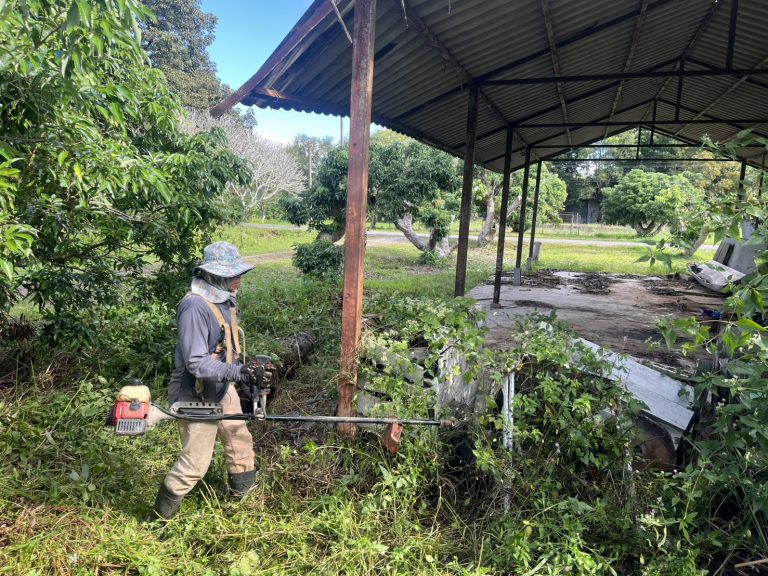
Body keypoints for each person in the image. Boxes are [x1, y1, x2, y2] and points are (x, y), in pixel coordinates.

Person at [151, 241, 258, 520]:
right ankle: (159, 520)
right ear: (212, 274)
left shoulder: (225, 300)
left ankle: (242, 503)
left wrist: (246, 373)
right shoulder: (194, 307)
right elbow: (196, 363)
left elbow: (225, 347)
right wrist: (237, 373)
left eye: (238, 272)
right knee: (196, 462)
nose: (238, 278)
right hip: (194, 393)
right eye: (231, 273)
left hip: (222, 387)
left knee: (239, 440)